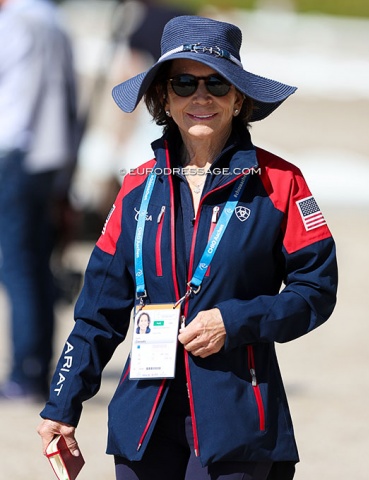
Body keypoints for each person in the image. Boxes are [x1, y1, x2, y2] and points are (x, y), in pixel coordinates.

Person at [38, 15, 338, 480]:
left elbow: (315, 291)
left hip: (239, 416)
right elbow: (98, 310)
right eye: (183, 83)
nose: (201, 97)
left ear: (239, 98)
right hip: (144, 418)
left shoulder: (282, 183)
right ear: (163, 97)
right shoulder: (135, 188)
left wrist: (234, 321)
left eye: (217, 84)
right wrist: (63, 402)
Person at [0, 0, 78, 401]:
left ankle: (25, 372)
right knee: (35, 266)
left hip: (15, 154)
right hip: (49, 160)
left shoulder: (17, 22)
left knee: (17, 267)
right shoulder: (54, 22)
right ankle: (36, 367)